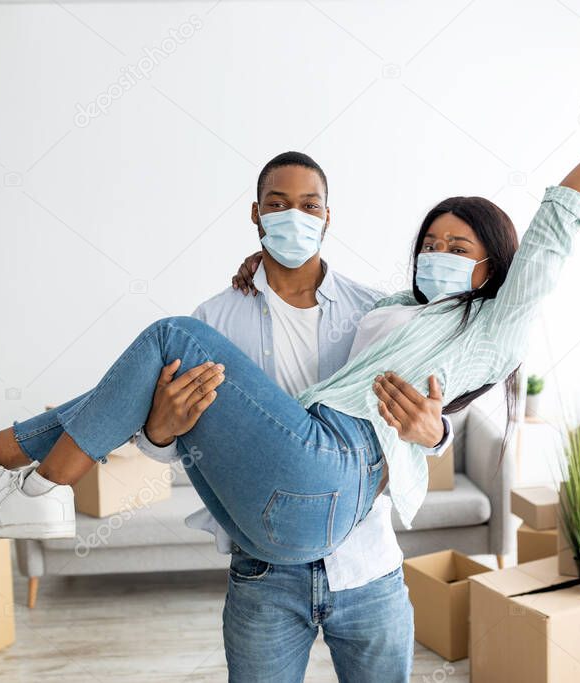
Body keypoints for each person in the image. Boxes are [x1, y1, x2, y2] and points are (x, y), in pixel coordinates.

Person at [0, 56, 580, 566]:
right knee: (178, 350)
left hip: (336, 474)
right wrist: (269, 273)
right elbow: (287, 337)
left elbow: (556, 235)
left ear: (495, 266)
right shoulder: (388, 308)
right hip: (284, 503)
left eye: (463, 248)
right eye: (435, 241)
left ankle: (22, 479)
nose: (443, 254)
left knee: (172, 334)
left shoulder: (491, 325)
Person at [132, 151, 447, 681]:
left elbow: (433, 416)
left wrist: (434, 433)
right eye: (277, 204)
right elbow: (164, 443)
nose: (293, 216)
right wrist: (159, 430)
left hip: (367, 564)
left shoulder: (374, 312)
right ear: (255, 214)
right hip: (264, 573)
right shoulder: (214, 320)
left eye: (309, 205)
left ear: (328, 217)